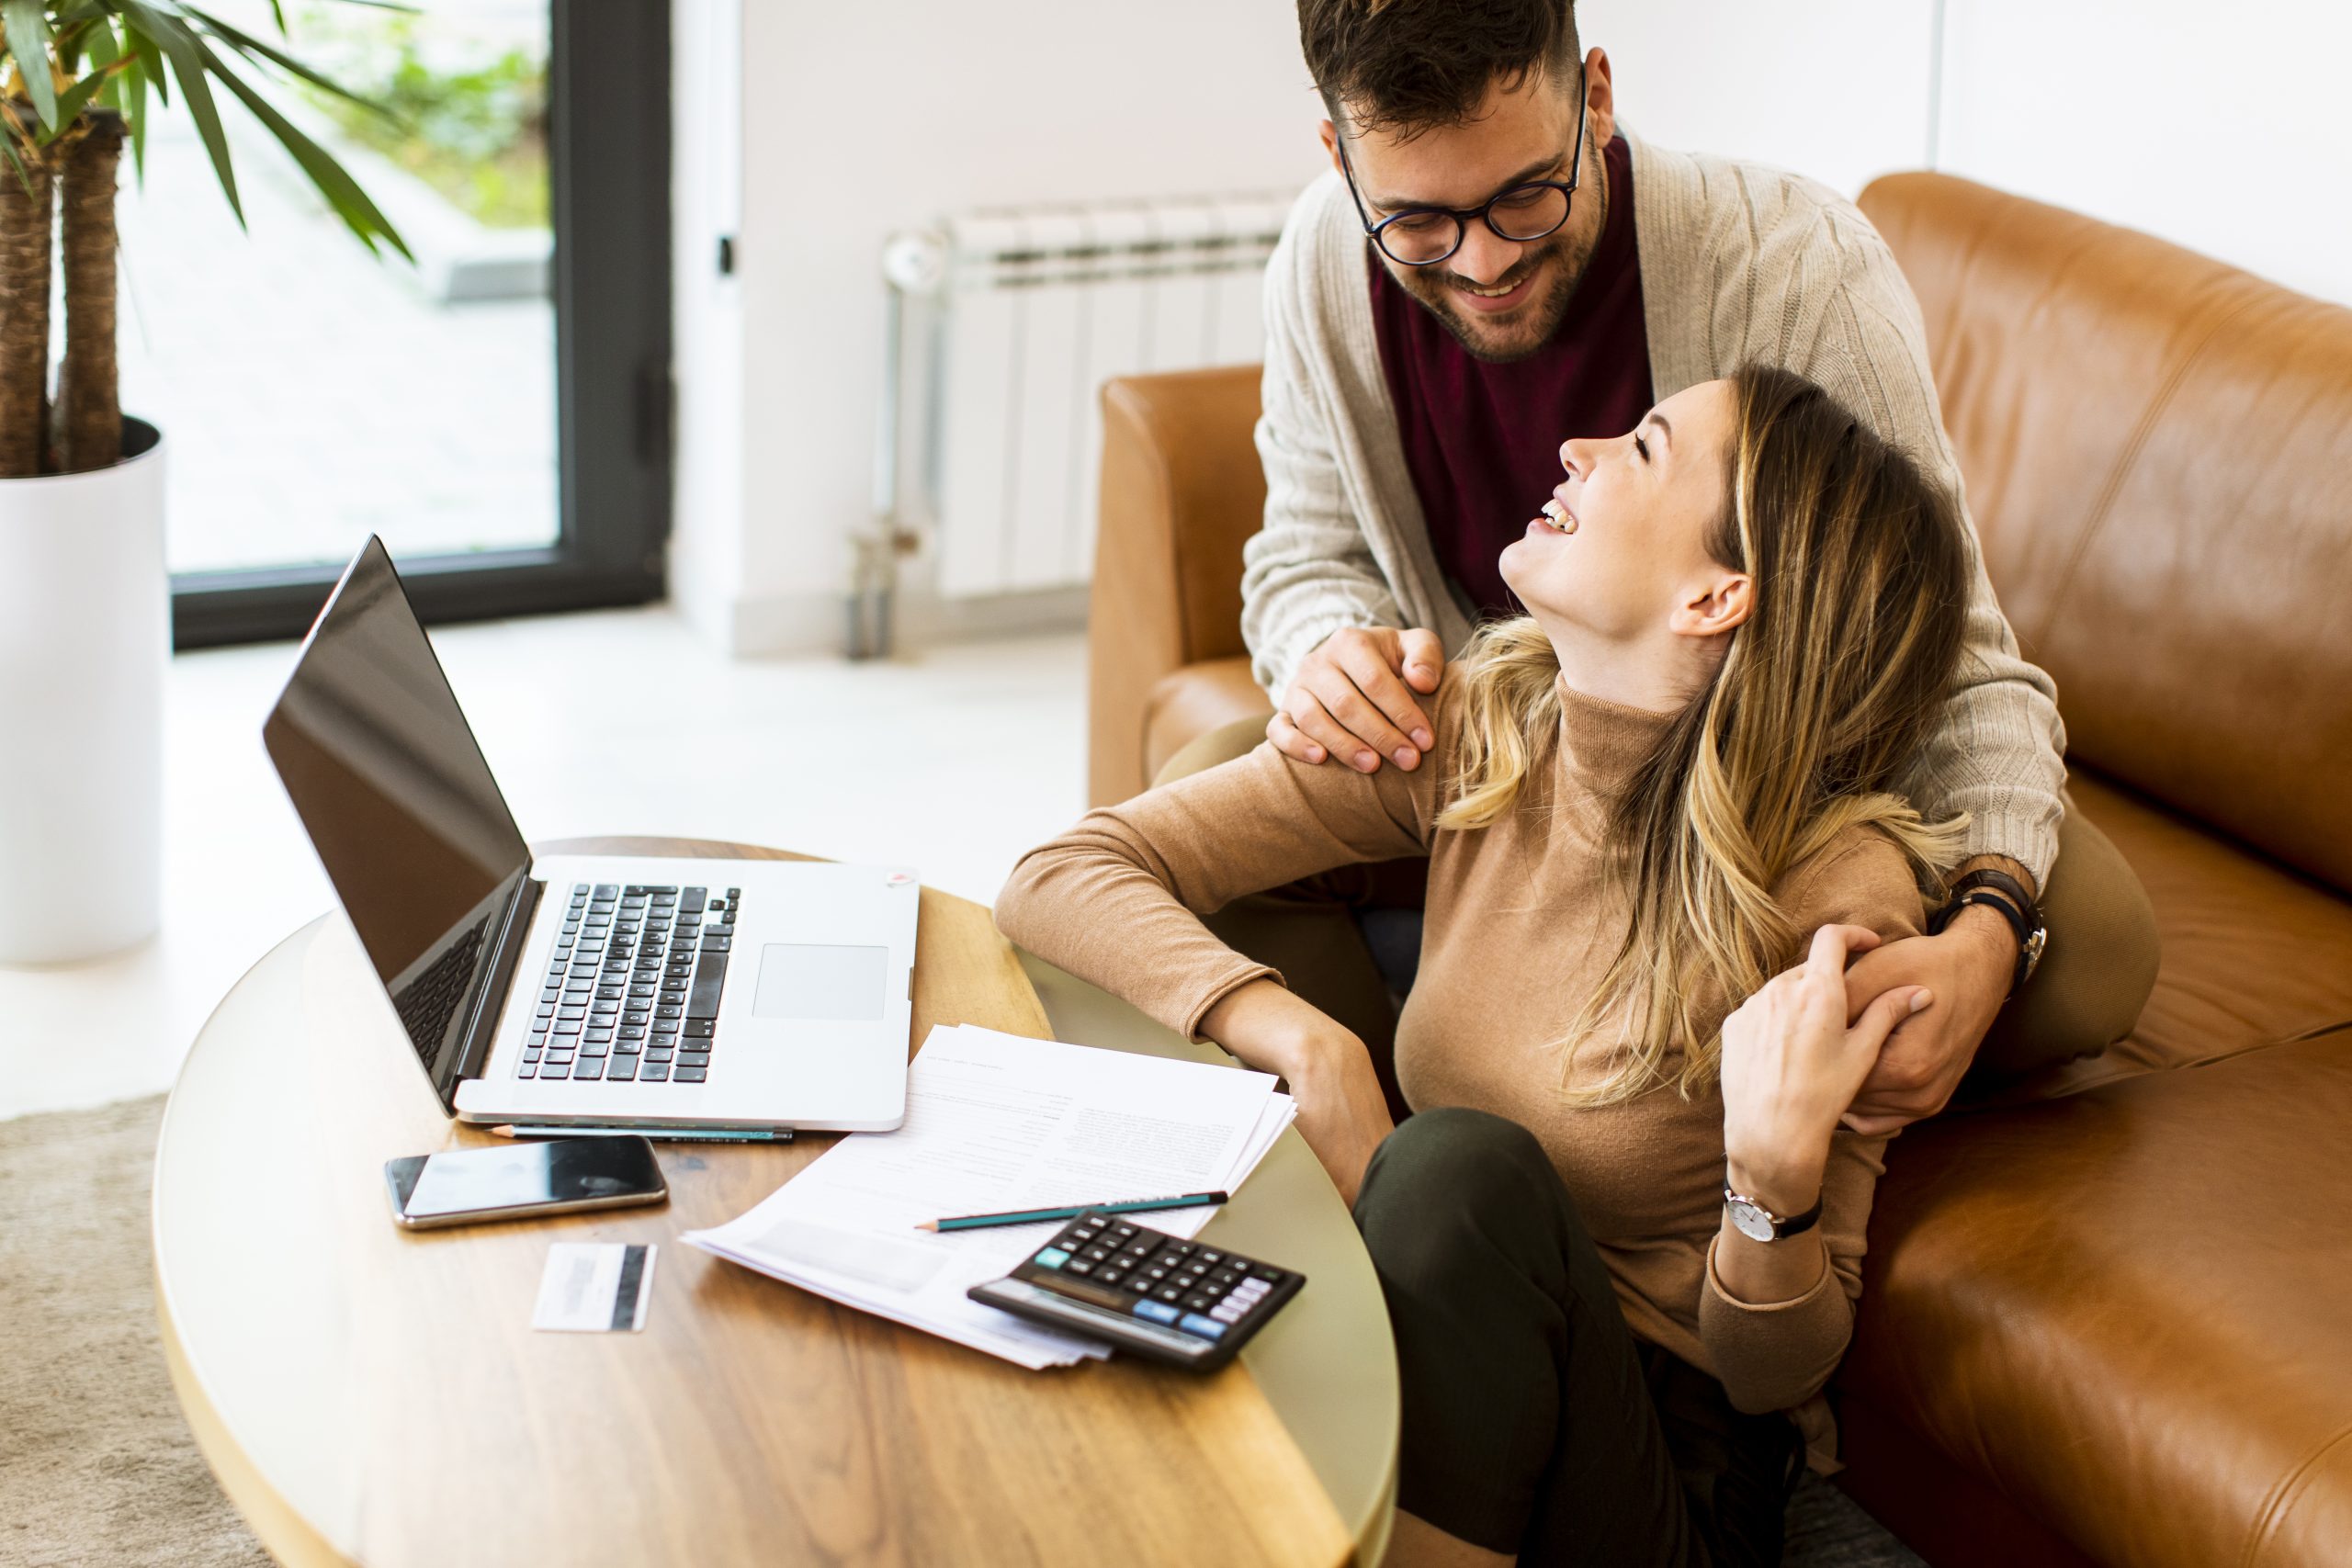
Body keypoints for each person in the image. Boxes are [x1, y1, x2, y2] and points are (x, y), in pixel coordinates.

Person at [1000, 367, 1971, 1564]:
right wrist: (1301, 1035)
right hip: (1426, 1357)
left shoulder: (1832, 894)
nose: (1578, 446)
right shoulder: (1478, 737)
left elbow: (1776, 1373)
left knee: (1458, 1170)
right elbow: (1060, 872)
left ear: (1718, 594)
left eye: (1645, 447)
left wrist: (1771, 1181)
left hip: (1660, 1466)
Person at [1176, 0, 2157, 1131]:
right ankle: (1398, 1153)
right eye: (1418, 224)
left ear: (1595, 96)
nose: (1484, 263)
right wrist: (1329, 655)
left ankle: (1590, 1084)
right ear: (1337, 158)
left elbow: (1958, 662)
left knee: (2090, 938)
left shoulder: (1792, 266)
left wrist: (1992, 927)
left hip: (1763, 813)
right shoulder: (1319, 263)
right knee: (1215, 780)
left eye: (1522, 197)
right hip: (1497, 784)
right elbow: (1303, 558)